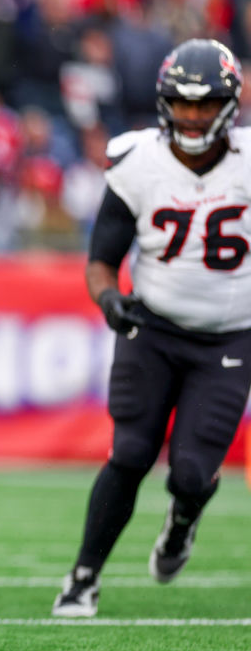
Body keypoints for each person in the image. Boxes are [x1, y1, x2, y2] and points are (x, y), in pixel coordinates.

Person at [52, 38, 251, 618]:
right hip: (154, 329)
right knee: (131, 451)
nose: (192, 116)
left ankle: (183, 520)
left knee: (191, 472)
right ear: (164, 102)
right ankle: (83, 577)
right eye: (182, 104)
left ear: (229, 105)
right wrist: (109, 299)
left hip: (230, 338)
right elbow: (101, 259)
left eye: (205, 105)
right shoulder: (137, 161)